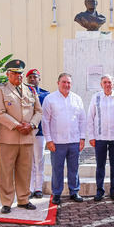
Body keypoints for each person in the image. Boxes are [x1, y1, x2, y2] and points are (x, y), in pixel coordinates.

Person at [0, 59, 42, 214]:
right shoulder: (0, 90)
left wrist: (32, 125)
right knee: (6, 171)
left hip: (27, 136)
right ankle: (6, 202)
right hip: (8, 137)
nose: (18, 76)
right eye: (15, 73)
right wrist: (17, 125)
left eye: (20, 73)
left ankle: (23, 199)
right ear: (8, 74)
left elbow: (38, 111)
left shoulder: (30, 90)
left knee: (25, 170)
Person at [42, 73, 87, 205]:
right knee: (57, 168)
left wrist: (82, 138)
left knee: (74, 168)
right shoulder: (50, 99)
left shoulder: (77, 99)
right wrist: (49, 140)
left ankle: (74, 191)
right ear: (58, 83)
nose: (66, 85)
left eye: (68, 83)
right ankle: (57, 193)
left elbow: (82, 120)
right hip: (57, 142)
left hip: (74, 140)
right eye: (64, 82)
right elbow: (45, 121)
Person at [87, 74, 114, 201]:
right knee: (100, 165)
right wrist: (91, 136)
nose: (107, 84)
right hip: (100, 137)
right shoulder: (96, 97)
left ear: (113, 84)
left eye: (109, 82)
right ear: (101, 84)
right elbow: (90, 117)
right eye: (105, 82)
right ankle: (99, 191)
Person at [26, 68, 50, 198]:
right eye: (30, 77)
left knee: (39, 160)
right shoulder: (22, 93)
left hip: (40, 131)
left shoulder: (46, 95)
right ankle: (29, 188)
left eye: (35, 77)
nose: (32, 79)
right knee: (28, 161)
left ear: (39, 79)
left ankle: (38, 188)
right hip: (26, 132)